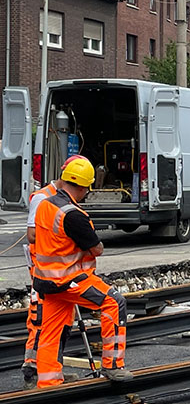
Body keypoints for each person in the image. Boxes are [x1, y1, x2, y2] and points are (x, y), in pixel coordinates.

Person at [32, 156, 132, 387]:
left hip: (46, 280)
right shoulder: (73, 215)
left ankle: (48, 382)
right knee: (114, 303)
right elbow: (96, 248)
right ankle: (113, 365)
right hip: (70, 279)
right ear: (84, 186)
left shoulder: (45, 204)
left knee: (52, 331)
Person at [21, 155, 84, 388]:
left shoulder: (64, 199)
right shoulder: (43, 198)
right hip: (44, 270)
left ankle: (50, 368)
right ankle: (34, 367)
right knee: (41, 320)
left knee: (61, 321)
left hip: (60, 270)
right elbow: (32, 235)